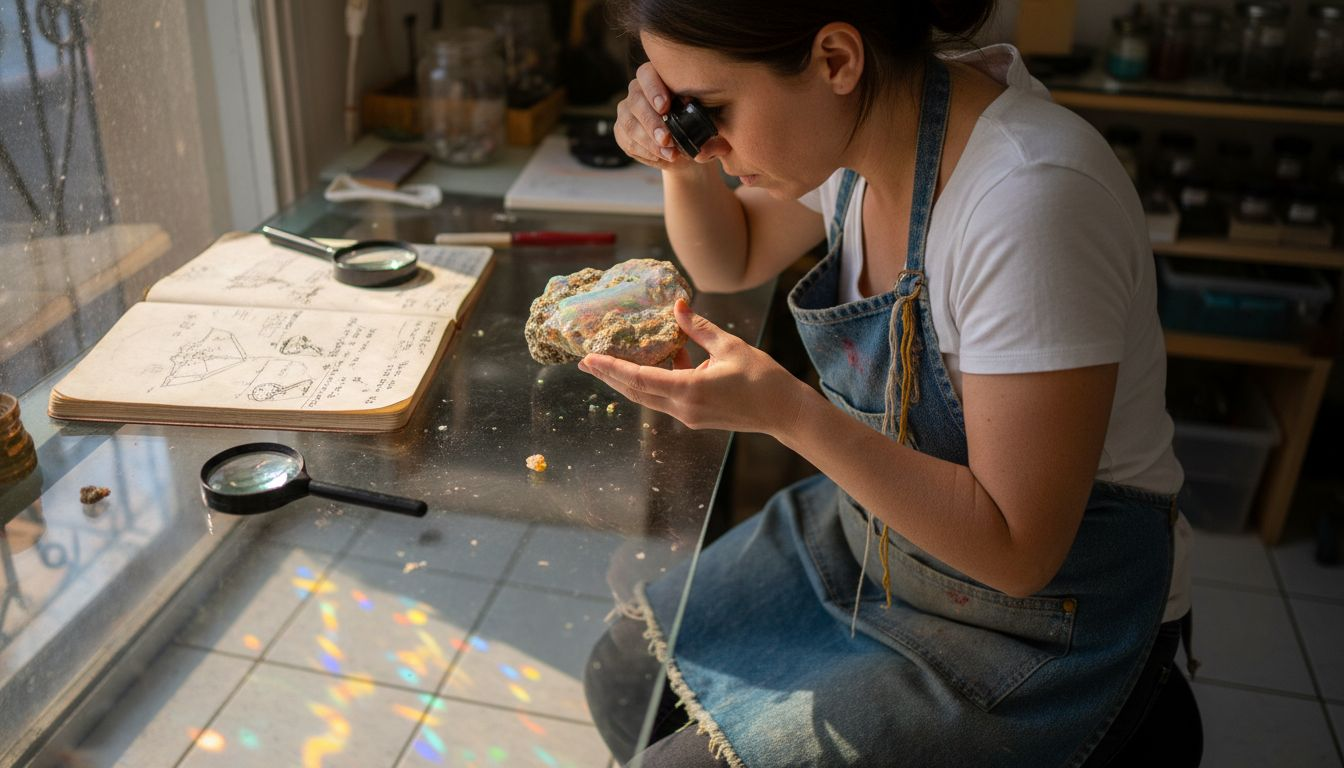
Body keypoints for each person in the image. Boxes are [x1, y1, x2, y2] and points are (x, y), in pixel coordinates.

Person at [578, 2, 1196, 766]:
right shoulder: (861, 139)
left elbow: (1018, 553)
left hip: (1047, 619)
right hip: (884, 542)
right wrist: (679, 157)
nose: (703, 134)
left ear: (836, 59)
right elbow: (727, 258)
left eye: (710, 108)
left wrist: (787, 412)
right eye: (681, 109)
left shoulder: (1028, 200)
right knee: (621, 677)